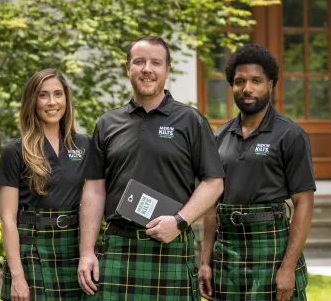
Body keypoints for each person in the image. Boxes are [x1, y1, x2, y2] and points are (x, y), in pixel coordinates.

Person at [77, 36, 225, 300]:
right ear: (128, 69)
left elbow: (214, 183)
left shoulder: (190, 120)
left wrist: (180, 221)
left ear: (167, 70)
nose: (147, 68)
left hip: (171, 245)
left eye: (156, 62)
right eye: (139, 61)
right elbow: (95, 190)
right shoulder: (108, 123)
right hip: (119, 248)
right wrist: (87, 251)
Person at [199, 44, 316, 301]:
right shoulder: (218, 137)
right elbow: (210, 208)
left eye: (256, 81)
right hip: (226, 252)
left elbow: (303, 204)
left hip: (270, 247)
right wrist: (205, 262)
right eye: (239, 81)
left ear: (270, 84)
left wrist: (287, 268)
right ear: (232, 86)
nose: (247, 88)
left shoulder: (290, 135)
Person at [0, 69, 91, 301]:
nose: (52, 102)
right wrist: (18, 276)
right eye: (43, 95)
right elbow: (7, 219)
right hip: (32, 251)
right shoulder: (15, 151)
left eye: (58, 94)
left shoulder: (85, 145)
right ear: (32, 101)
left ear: (66, 100)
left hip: (73, 250)